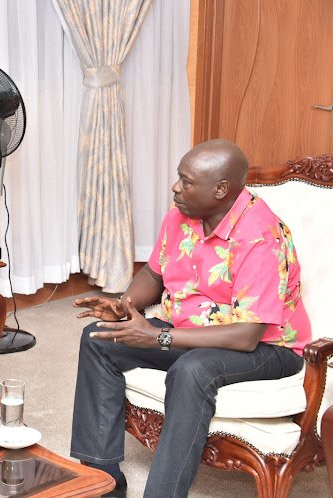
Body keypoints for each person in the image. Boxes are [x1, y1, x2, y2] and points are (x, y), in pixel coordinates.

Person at [70, 139, 311, 497]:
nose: (176, 187)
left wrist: (158, 338)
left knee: (193, 369)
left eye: (186, 181)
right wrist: (124, 307)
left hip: (266, 347)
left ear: (220, 190)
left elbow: (245, 336)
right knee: (100, 337)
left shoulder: (260, 238)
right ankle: (102, 481)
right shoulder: (181, 216)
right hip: (190, 328)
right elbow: (154, 274)